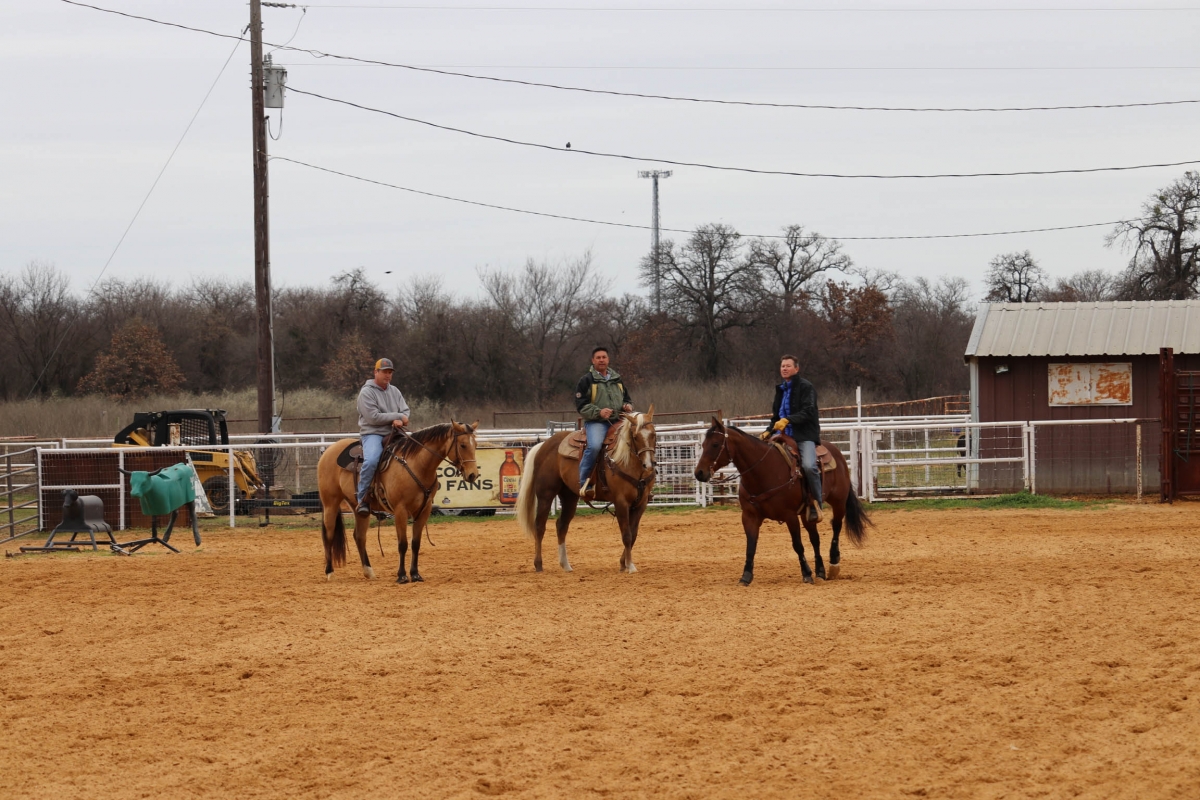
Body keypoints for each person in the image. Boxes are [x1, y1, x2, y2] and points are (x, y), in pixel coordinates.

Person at [764, 354, 823, 523]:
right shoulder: (781, 389)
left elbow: (808, 411)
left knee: (809, 466)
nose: (784, 368)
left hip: (804, 435)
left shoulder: (806, 387)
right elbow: (776, 417)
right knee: (763, 460)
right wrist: (768, 431)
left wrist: (788, 420)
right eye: (782, 366)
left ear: (796, 368)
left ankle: (816, 502)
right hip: (783, 435)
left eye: (788, 366)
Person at [574, 346, 633, 497]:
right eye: (598, 357)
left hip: (618, 420)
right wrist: (599, 412)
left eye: (604, 357)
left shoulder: (617, 379)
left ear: (608, 359)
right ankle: (583, 482)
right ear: (593, 361)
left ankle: (638, 482)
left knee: (636, 439)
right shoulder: (586, 380)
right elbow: (581, 406)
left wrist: (627, 406)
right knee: (594, 446)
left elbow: (627, 398)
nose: (601, 360)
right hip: (596, 422)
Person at [356, 358, 410, 516]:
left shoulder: (395, 391)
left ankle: (416, 497)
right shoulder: (366, 393)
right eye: (385, 372)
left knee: (414, 455)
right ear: (376, 372)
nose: (388, 375)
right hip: (373, 433)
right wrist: (397, 416)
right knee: (372, 460)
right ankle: (363, 499)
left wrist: (402, 419)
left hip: (395, 432)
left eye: (390, 372)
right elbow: (373, 417)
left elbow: (405, 411)